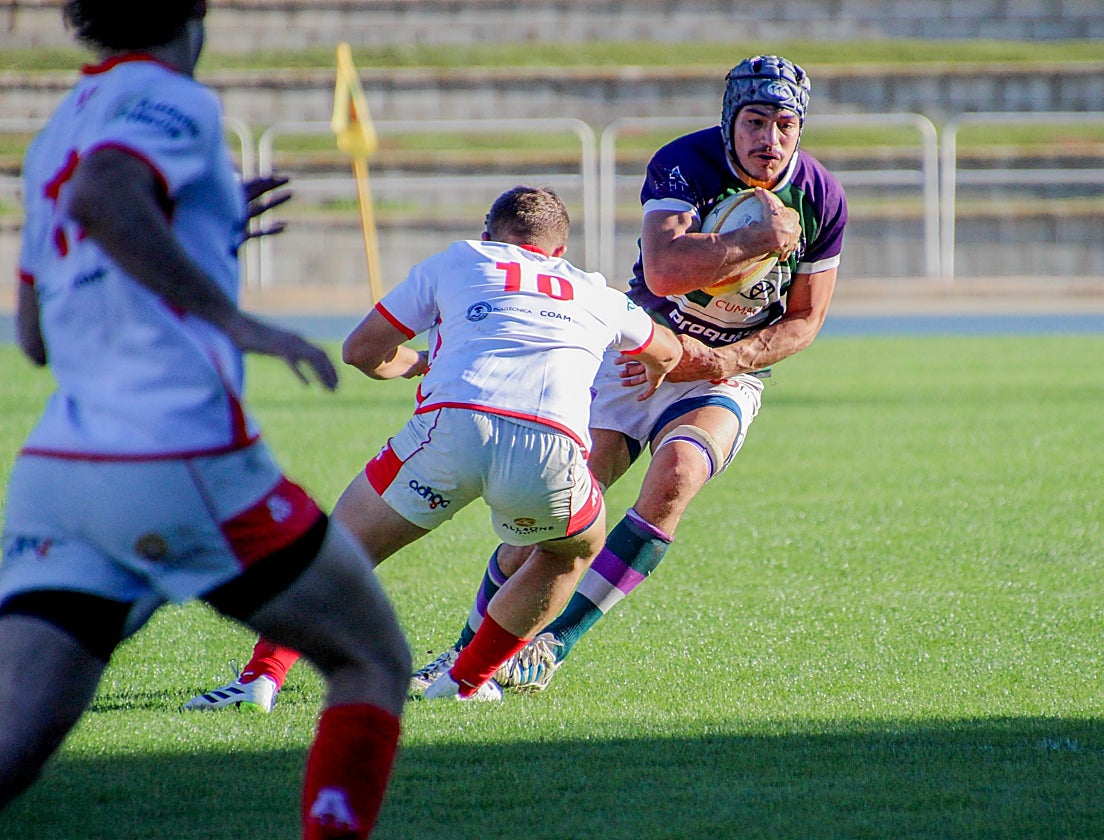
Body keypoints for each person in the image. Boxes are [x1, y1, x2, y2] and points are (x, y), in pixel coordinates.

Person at [0, 3, 412, 836]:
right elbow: (107, 194)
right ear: (193, 13)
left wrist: (205, 229)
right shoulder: (172, 97)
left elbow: (36, 335)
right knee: (371, 658)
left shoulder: (57, 131)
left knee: (11, 747)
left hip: (59, 473)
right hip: (175, 456)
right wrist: (237, 321)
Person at [408, 54, 849, 694]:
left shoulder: (821, 197)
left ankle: (555, 643)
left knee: (678, 476)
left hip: (724, 373)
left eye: (785, 125)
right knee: (555, 515)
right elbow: (666, 269)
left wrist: (727, 361)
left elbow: (805, 320)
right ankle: (465, 655)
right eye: (756, 121)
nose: (770, 140)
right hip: (637, 355)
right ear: (731, 120)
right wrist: (758, 240)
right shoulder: (684, 163)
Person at [183, 185, 682, 707]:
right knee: (570, 552)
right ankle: (464, 683)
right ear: (559, 254)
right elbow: (665, 348)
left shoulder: (462, 258)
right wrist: (653, 368)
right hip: (550, 444)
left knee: (340, 549)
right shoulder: (594, 290)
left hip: (452, 427)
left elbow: (360, 350)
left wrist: (416, 364)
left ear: (488, 235)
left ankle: (261, 679)